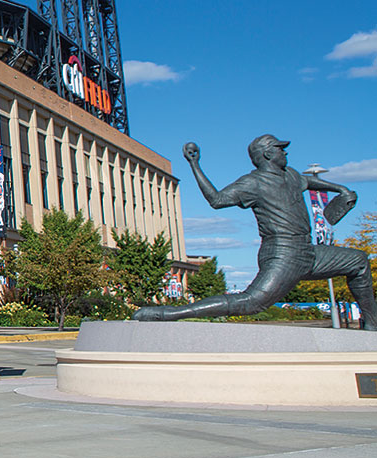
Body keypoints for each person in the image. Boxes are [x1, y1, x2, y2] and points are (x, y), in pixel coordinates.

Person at [134, 135, 375, 328]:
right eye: (280, 149)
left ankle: (372, 325)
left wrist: (339, 188)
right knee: (251, 303)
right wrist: (195, 165)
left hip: (308, 252)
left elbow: (309, 181)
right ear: (268, 153)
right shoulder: (253, 183)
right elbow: (217, 200)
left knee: (359, 261)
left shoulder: (290, 175)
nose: (285, 152)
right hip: (283, 253)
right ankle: (167, 313)